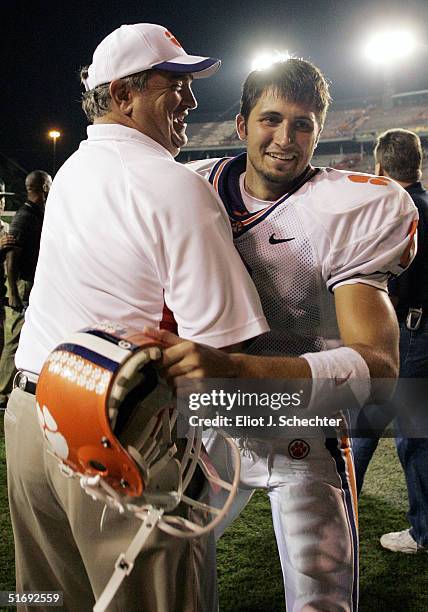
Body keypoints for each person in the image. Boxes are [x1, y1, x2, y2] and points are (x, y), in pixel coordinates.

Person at [4, 23, 267, 612]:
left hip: (28, 416)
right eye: (175, 84)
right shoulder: (175, 187)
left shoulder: (71, 169)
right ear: (123, 94)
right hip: (112, 426)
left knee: (45, 599)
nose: (192, 100)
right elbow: (221, 354)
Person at [145, 59, 419, 611]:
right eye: (271, 119)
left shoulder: (350, 208)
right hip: (210, 428)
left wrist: (236, 369)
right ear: (241, 125)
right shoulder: (194, 188)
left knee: (323, 597)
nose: (285, 139)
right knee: (167, 576)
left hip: (303, 432)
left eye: (303, 124)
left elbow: (379, 369)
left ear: (321, 131)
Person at [352, 129, 428, 553]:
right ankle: (423, 532)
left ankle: (337, 515)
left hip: (407, 335)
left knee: (360, 429)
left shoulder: (396, 210)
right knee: (416, 436)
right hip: (425, 337)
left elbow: (384, 288)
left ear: (380, 167)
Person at [0, 170, 51, 408]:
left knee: (24, 337)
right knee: (14, 339)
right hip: (21, 284)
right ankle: (1, 393)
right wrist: (13, 292)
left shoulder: (38, 214)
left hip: (31, 283)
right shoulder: (24, 216)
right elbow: (12, 256)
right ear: (43, 188)